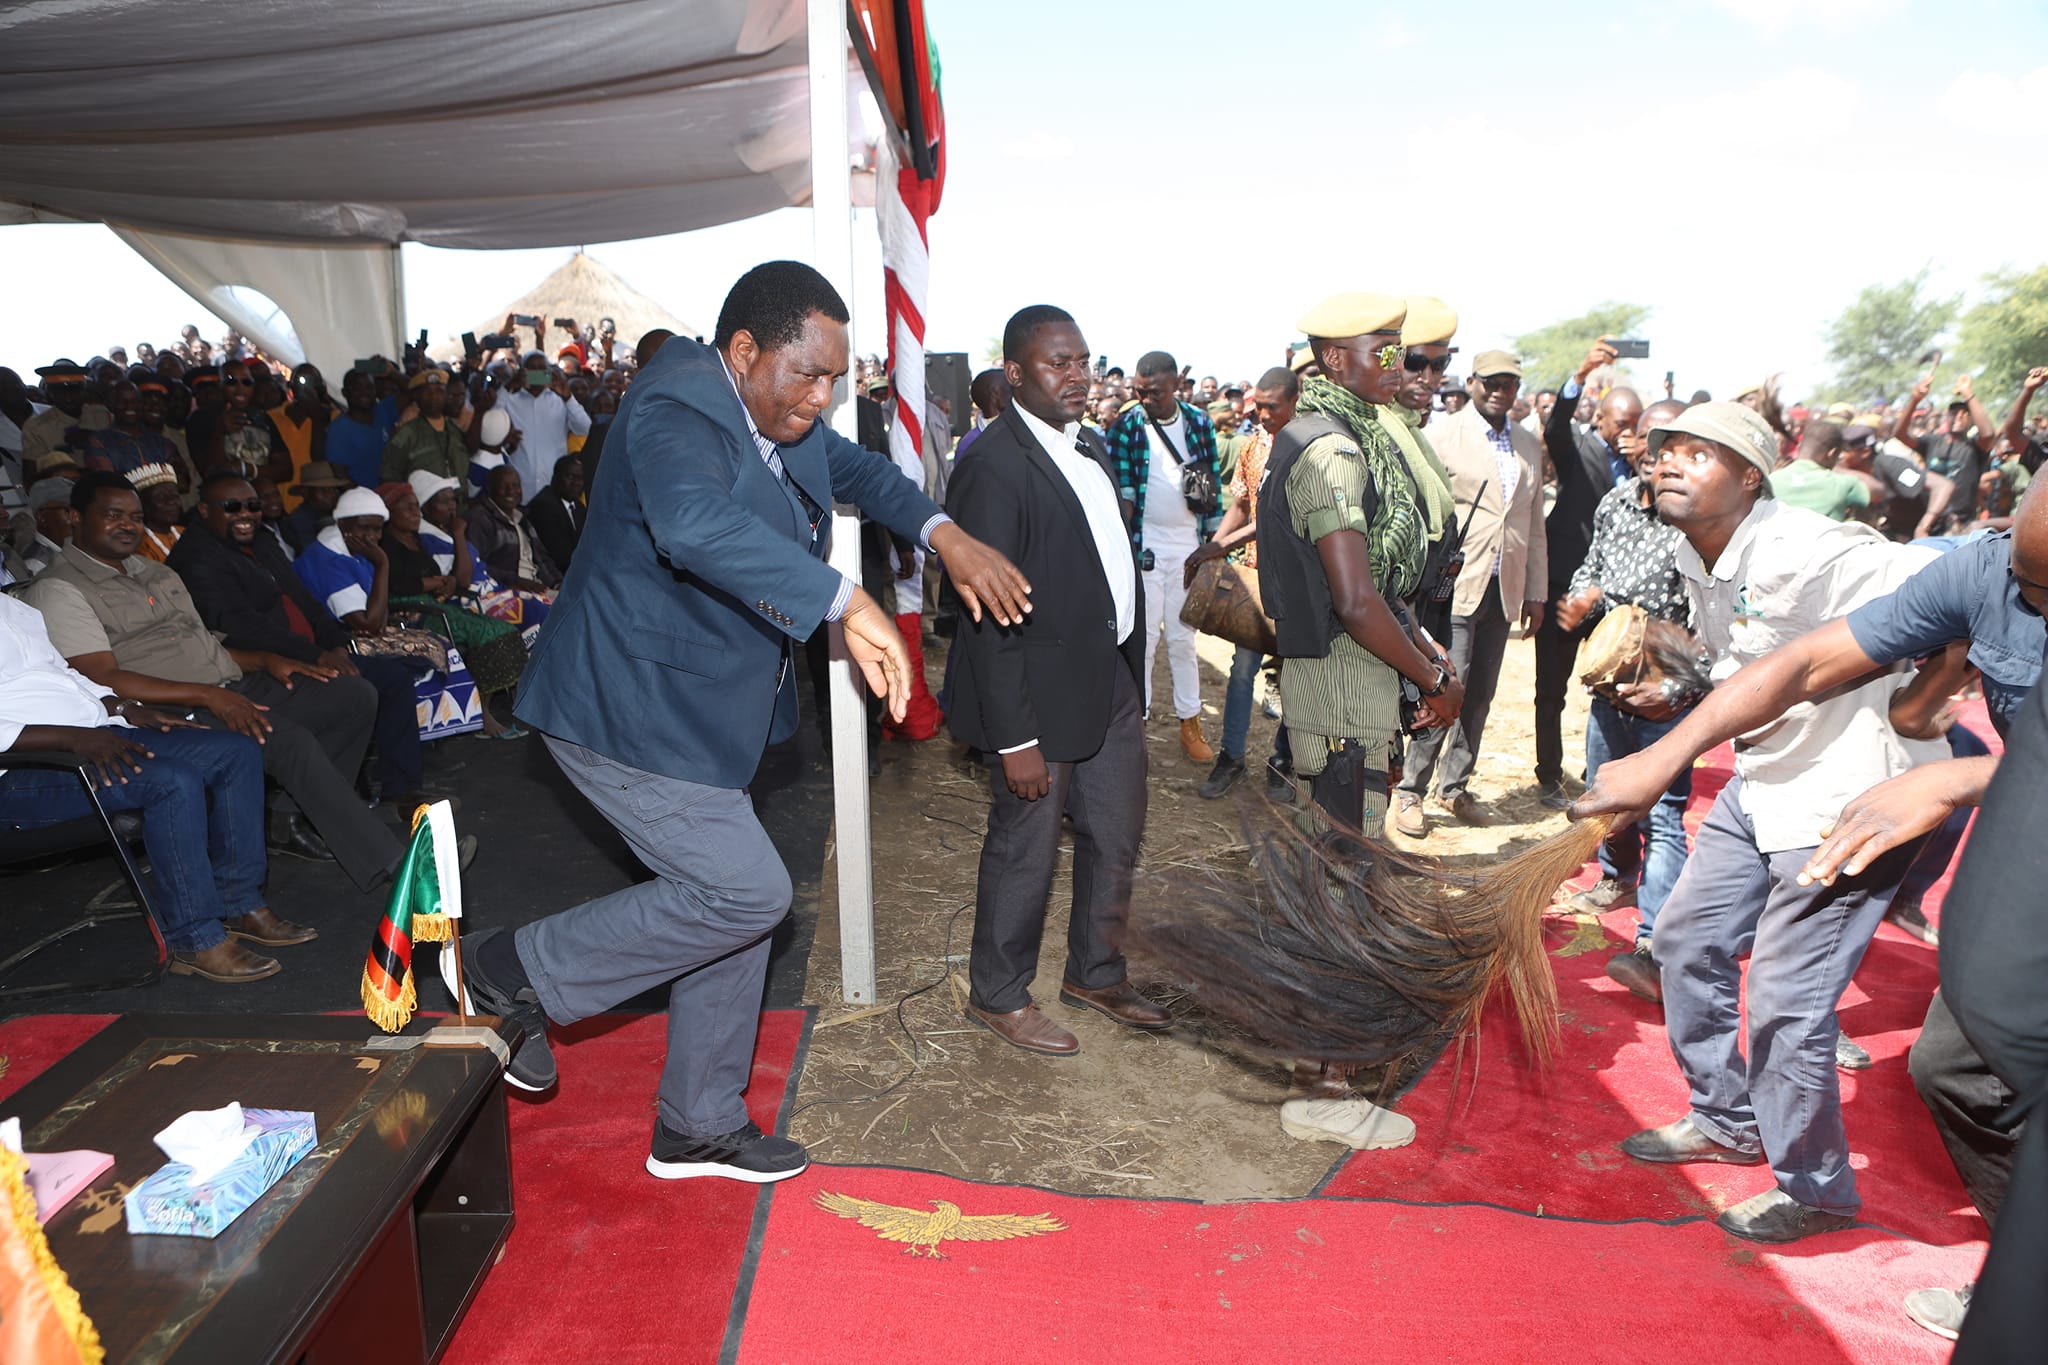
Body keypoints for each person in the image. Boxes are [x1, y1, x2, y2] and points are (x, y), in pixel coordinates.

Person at [441, 261, 1027, 1185]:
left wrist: (943, 535)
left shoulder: (782, 414)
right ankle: (507, 967)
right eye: (810, 375)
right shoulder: (676, 403)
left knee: (729, 906)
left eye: (834, 379)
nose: (823, 399)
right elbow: (692, 524)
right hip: (625, 704)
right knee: (748, 894)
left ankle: (699, 1123)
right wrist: (847, 601)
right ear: (744, 349)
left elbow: (862, 472)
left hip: (704, 709)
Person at [1569, 401, 1946, 1244]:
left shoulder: (1807, 546)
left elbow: (1945, 584)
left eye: (1697, 453)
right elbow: (1749, 658)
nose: (1669, 462)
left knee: (1784, 999)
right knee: (1683, 940)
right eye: (1665, 450)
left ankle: (1815, 1188)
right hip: (1765, 778)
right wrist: (1684, 683)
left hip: (1848, 799)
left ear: (1750, 477)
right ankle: (1726, 1117)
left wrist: (1941, 688)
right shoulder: (1692, 550)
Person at [1256, 291, 1465, 1149]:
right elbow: (1353, 598)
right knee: (1341, 881)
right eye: (1385, 349)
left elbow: (1380, 587)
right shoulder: (1333, 449)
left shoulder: (1340, 433)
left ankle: (1322, 1063)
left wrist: (1424, 663)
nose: (1399, 363)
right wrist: (1431, 676)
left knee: (1338, 873)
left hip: (1351, 687)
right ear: (1335, 359)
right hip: (1341, 694)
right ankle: (1323, 1085)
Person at [942, 304, 1159, 1059]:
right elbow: (984, 615)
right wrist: (1016, 738)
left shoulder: (1088, 443)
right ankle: (999, 993)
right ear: (1014, 372)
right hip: (1036, 695)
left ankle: (1096, 972)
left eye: (1083, 361)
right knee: (1025, 848)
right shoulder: (993, 464)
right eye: (1057, 363)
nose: (1077, 376)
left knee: (1118, 829)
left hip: (1108, 676)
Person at [22, 472, 403, 888]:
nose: (128, 525)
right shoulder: (59, 589)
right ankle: (391, 865)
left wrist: (266, 660)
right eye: (113, 515)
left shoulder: (156, 572)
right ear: (76, 517)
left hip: (227, 684)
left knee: (351, 695)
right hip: (164, 709)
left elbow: (206, 644)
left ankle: (292, 816)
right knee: (286, 739)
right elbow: (100, 678)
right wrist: (208, 696)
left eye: (135, 517)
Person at [0, 593, 307, 981]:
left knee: (235, 752)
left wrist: (125, 708)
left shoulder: (13, 608)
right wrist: (71, 737)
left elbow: (63, 676)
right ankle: (195, 939)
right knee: (171, 781)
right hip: (24, 771)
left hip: (94, 732)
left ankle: (239, 902)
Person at [171, 472, 438, 811]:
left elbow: (302, 597)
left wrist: (335, 642)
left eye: (252, 505)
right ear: (204, 510)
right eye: (232, 507)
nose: (245, 514)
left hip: (309, 651)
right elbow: (240, 626)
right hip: (262, 664)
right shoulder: (196, 557)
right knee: (357, 690)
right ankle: (319, 805)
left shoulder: (262, 539)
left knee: (393, 677)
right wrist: (317, 655)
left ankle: (399, 789)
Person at [1554, 399, 1695, 1000]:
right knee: (1603, 789)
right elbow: (1592, 568)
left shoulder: (1698, 521)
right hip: (1611, 682)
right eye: (1646, 440)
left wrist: (1677, 687)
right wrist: (1583, 597)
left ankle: (1653, 945)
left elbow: (1721, 627)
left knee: (1662, 813)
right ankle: (1618, 875)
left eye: (1671, 447)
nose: (1653, 455)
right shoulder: (1614, 503)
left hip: (1670, 692)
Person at [1393, 349, 1547, 835]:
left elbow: (1533, 525)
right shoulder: (1442, 433)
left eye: (1510, 384)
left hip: (1505, 587)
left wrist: (1536, 591)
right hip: (1454, 586)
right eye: (1492, 382)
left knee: (1480, 696)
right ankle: (1410, 790)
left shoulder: (1528, 443)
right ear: (1475, 382)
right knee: (1444, 689)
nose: (1501, 391)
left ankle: (1454, 785)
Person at [1182, 365, 1299, 800]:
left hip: (1299, 581)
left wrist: (1217, 546)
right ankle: (1231, 757)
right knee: (1242, 671)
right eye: (1259, 407)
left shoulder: (1310, 448)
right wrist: (1213, 548)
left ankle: (1283, 761)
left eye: (1273, 407)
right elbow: (1242, 505)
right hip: (1256, 577)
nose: (1264, 415)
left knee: (1293, 677)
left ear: (1295, 402)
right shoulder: (1253, 446)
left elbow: (1271, 517)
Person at [1536, 340, 1643, 806]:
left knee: (1613, 690)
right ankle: (1548, 774)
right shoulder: (1577, 448)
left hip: (1615, 597)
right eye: (1622, 424)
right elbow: (1555, 425)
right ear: (1600, 418)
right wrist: (1579, 377)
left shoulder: (1644, 465)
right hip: (1567, 586)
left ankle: (1603, 772)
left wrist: (1640, 461)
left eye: (1636, 425)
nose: (1628, 432)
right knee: (1551, 688)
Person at [1103, 350, 1223, 762]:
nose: (1146, 398)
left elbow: (1211, 487)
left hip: (1189, 545)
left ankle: (1190, 722)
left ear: (1175, 385)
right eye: (1140, 391)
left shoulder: (1200, 423)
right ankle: (1137, 723)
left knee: (1182, 638)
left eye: (1154, 391)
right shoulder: (1128, 425)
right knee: (1145, 640)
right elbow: (1122, 491)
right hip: (1146, 545)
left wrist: (1211, 547)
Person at [378, 474, 530, 738]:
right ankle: (482, 714)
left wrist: (445, 582)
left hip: (434, 603)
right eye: (409, 508)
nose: (416, 513)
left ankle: (483, 707)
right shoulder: (386, 546)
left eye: (416, 506)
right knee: (489, 634)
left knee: (503, 630)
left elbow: (443, 578)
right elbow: (397, 583)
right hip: (412, 611)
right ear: (390, 514)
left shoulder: (416, 540)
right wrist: (435, 582)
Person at [1895, 369, 1994, 533]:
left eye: (1965, 414)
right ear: (1947, 417)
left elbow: (1988, 434)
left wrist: (1968, 393)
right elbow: (1900, 434)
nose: (1958, 417)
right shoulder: (1931, 442)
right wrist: (1915, 399)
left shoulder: (1974, 448)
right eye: (1954, 413)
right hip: (1929, 522)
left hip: (1961, 524)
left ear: (1971, 420)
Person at [498, 348, 591, 497]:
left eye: (541, 368)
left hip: (553, 488)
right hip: (521, 488)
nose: (537, 373)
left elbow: (585, 428)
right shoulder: (510, 401)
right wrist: (510, 385)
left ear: (549, 371)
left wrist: (568, 398)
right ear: (522, 371)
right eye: (532, 368)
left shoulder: (561, 401)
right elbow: (492, 420)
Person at [468, 465, 560, 594]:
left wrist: (557, 583)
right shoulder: (480, 518)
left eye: (515, 485)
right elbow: (475, 564)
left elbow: (543, 559)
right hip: (505, 591)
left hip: (538, 587)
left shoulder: (523, 518)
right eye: (503, 486)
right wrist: (515, 580)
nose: (510, 491)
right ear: (490, 488)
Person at [380, 369, 469, 493]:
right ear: (417, 396)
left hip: (459, 502)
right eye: (427, 392)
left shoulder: (455, 432)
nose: (434, 397)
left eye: (439, 391)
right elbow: (389, 476)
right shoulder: (406, 435)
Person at [1772, 420, 1872, 521]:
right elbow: (1877, 491)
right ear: (1832, 453)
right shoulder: (1841, 483)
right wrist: (1838, 469)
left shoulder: (1772, 480)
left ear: (1799, 446)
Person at [21, 360, 111, 469]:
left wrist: (93, 439)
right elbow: (32, 471)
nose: (68, 398)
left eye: (74, 391)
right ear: (50, 393)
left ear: (83, 390)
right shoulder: (35, 428)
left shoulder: (102, 414)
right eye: (60, 392)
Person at [79, 380, 180, 476]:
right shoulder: (99, 441)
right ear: (111, 405)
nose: (129, 406)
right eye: (122, 401)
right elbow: (107, 480)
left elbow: (181, 479)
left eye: (135, 401)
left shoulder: (161, 442)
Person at [267, 364, 332, 505]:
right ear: (290, 386)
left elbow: (321, 460)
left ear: (321, 387)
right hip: (279, 503)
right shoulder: (271, 417)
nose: (306, 388)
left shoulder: (333, 418)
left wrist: (317, 417)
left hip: (319, 503)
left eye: (311, 382)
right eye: (301, 382)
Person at [325, 367, 392, 492]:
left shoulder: (382, 411)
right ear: (345, 393)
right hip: (365, 499)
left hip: (391, 493)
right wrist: (368, 498)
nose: (364, 393)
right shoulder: (339, 430)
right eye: (357, 388)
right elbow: (340, 476)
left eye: (369, 387)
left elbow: (411, 392)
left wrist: (391, 371)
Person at [525, 454, 586, 572]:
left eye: (580, 478)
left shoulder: (579, 507)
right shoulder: (543, 506)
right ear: (555, 477)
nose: (576, 483)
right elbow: (559, 556)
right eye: (570, 476)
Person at [281, 460, 350, 554]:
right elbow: (315, 553)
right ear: (305, 492)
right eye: (324, 490)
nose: (332, 494)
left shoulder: (337, 512)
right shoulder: (299, 520)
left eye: (333, 489)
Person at [127, 463, 186, 562]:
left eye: (175, 496)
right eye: (160, 497)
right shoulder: (140, 547)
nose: (171, 501)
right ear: (142, 505)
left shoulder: (185, 532)